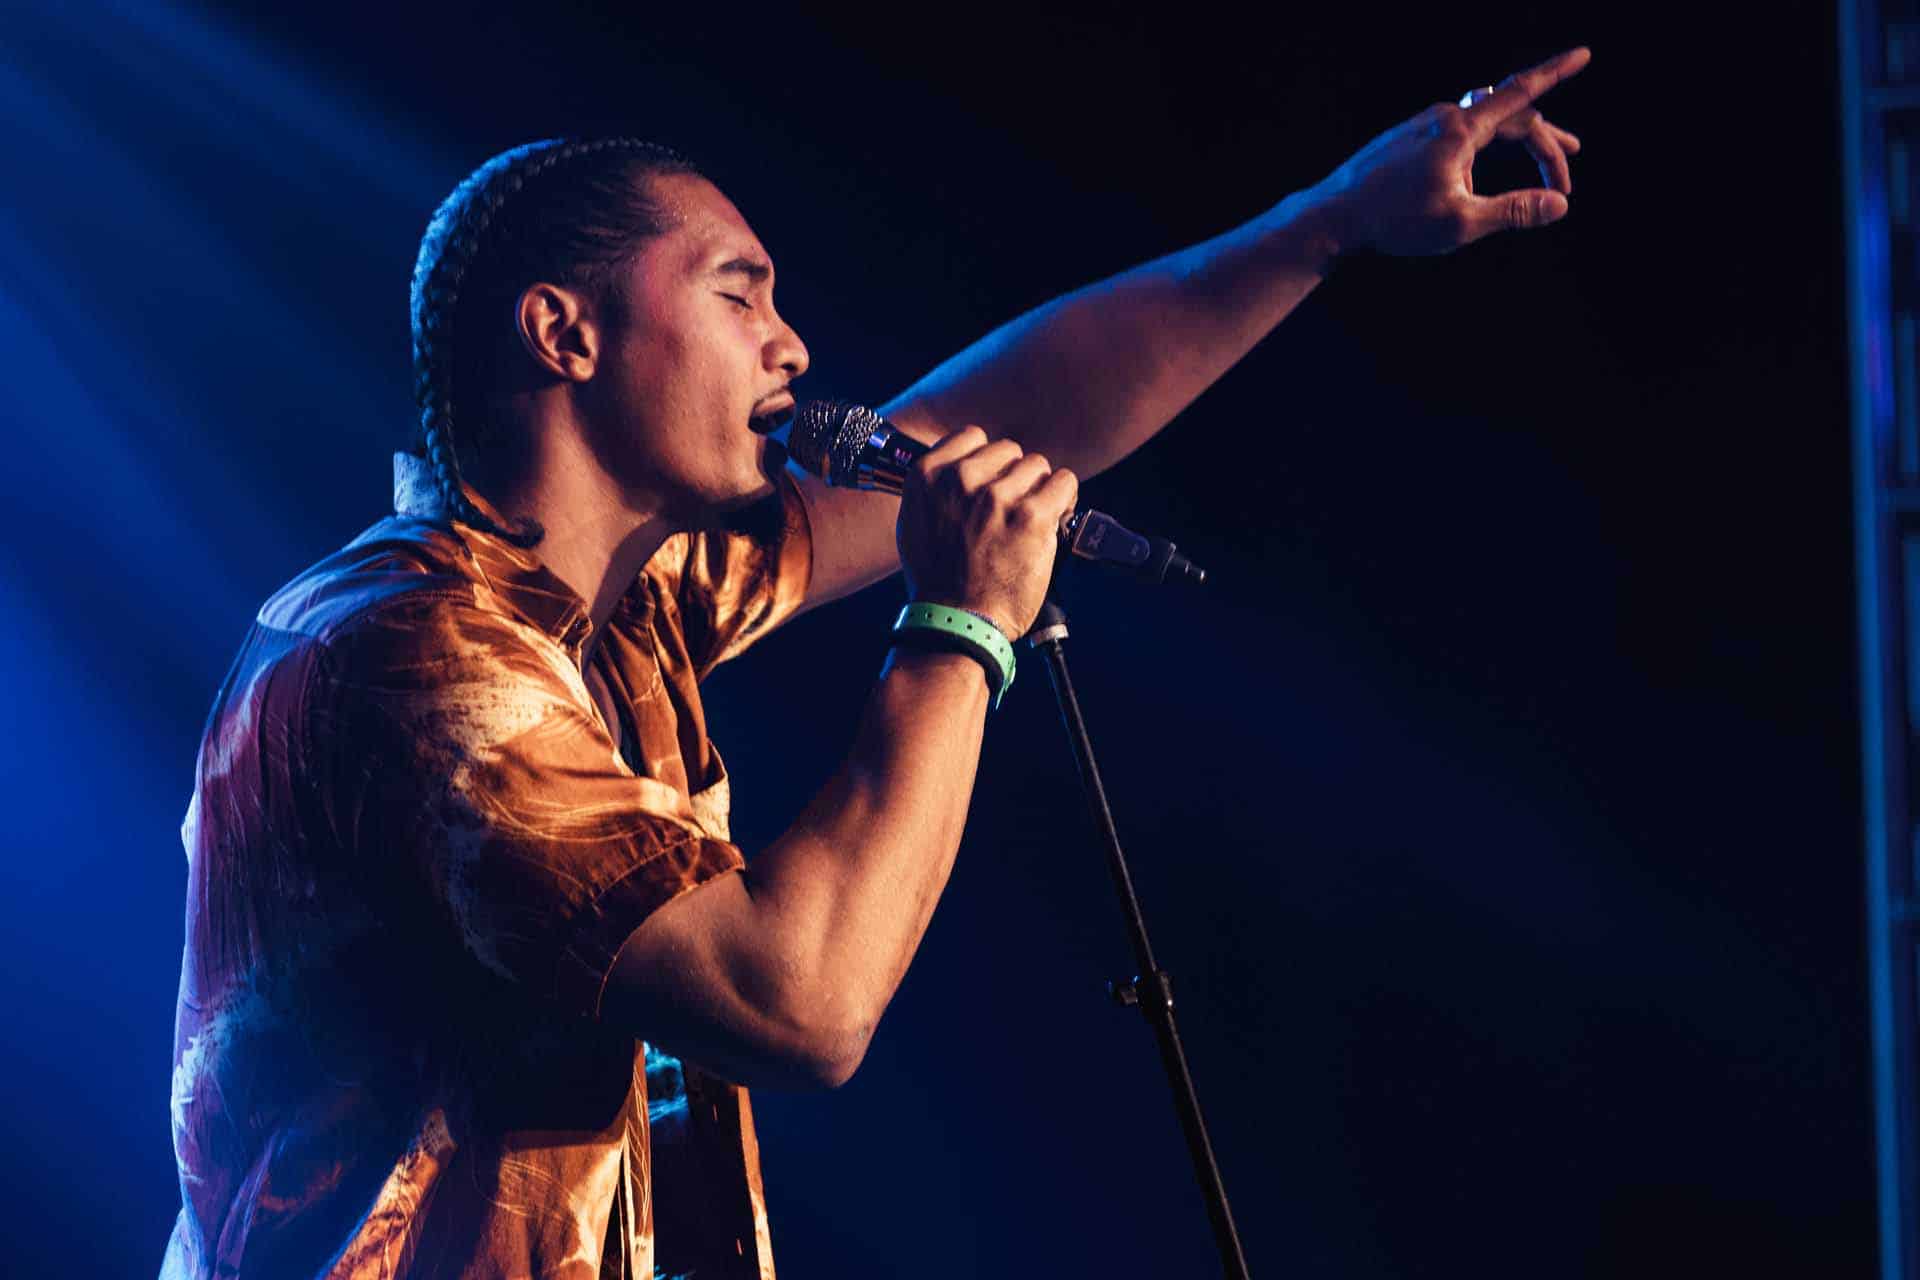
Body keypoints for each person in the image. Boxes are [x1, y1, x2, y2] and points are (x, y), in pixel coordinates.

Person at [161, 48, 1589, 1279]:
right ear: (564, 331)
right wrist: (959, 628)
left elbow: (1008, 407)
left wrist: (1329, 222)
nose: (791, 344)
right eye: (739, 295)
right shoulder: (420, 658)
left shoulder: (616, 606)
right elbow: (797, 999)